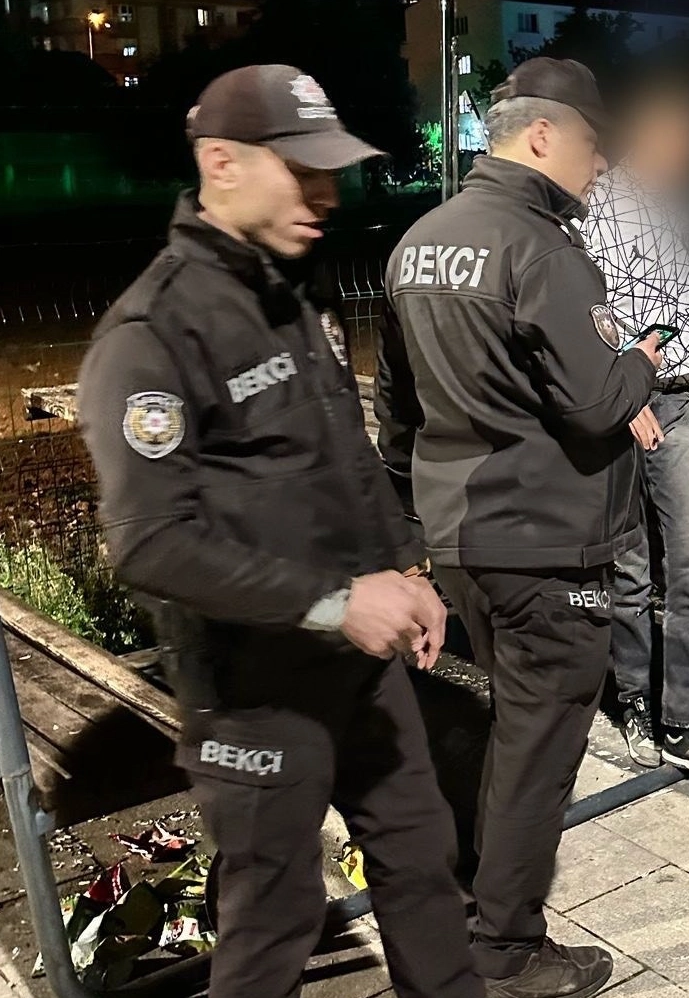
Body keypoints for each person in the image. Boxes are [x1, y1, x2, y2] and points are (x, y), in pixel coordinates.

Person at [77, 65, 480, 998]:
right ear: (221, 163)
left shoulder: (294, 292)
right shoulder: (152, 333)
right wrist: (337, 602)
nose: (327, 194)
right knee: (275, 918)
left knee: (423, 858)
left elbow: (345, 454)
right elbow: (149, 542)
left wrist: (405, 568)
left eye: (331, 170)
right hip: (251, 694)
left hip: (360, 666)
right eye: (302, 171)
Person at [378, 57, 661, 998]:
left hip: (462, 538)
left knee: (514, 728)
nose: (599, 165)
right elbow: (596, 403)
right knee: (539, 750)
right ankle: (504, 949)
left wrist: (411, 542)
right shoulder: (540, 250)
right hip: (547, 544)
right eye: (592, 145)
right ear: (543, 135)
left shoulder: (418, 243)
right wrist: (642, 358)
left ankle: (478, 907)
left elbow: (396, 415)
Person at [579, 72, 689, 779]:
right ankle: (635, 699)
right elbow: (589, 314)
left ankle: (684, 716)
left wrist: (658, 378)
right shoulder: (599, 204)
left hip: (674, 401)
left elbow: (687, 314)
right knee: (630, 566)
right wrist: (625, 393)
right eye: (681, 139)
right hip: (615, 404)